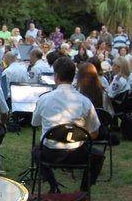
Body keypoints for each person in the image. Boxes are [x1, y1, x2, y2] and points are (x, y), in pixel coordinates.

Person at [31, 56, 104, 193]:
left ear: (56, 76)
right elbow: (94, 132)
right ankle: (84, 192)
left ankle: (53, 186)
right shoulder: (85, 101)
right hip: (77, 153)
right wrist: (77, 136)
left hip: (50, 152)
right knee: (98, 156)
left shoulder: (45, 99)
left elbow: (34, 123)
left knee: (36, 151)